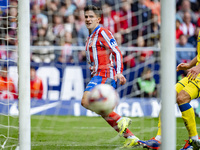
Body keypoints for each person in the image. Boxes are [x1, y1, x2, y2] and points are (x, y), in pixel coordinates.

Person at [81, 5, 140, 148]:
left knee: (86, 101)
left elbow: (117, 52)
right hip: (97, 74)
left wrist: (119, 71)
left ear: (98, 19)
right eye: (86, 16)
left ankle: (121, 119)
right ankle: (131, 137)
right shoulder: (89, 38)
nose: (88, 19)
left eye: (91, 16)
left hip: (105, 74)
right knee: (103, 111)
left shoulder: (103, 32)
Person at [138, 30, 200, 150]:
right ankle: (159, 139)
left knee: (182, 98)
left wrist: (198, 67)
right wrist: (190, 65)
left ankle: (194, 140)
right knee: (168, 97)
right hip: (195, 73)